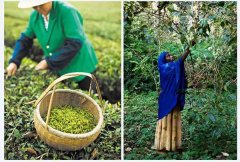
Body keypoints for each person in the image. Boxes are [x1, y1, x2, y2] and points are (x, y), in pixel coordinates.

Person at [5, 0, 98, 90]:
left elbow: (75, 43)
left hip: (80, 65)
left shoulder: (67, 12)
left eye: (41, 4)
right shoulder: (35, 16)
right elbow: (25, 40)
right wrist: (14, 61)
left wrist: (48, 62)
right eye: (34, 6)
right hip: (59, 65)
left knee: (85, 96)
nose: (38, 8)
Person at [152, 41, 196, 151]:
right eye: (168, 55)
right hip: (166, 98)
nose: (171, 56)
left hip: (173, 96)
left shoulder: (170, 66)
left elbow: (179, 64)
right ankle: (163, 145)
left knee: (174, 119)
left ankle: (173, 145)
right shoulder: (164, 67)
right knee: (165, 121)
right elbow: (180, 62)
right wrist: (188, 49)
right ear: (163, 59)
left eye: (171, 55)